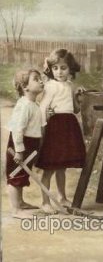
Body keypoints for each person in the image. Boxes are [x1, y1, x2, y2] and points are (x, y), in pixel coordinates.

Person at [36, 49, 86, 214]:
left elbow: (75, 110)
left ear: (70, 69)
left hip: (68, 126)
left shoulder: (70, 86)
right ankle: (45, 202)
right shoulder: (51, 86)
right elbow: (43, 108)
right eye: (55, 68)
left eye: (63, 68)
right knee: (49, 166)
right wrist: (43, 128)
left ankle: (62, 197)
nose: (59, 72)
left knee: (61, 166)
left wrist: (78, 99)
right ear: (51, 69)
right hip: (54, 128)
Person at [6, 69, 44, 218]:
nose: (41, 81)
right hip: (19, 144)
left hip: (30, 143)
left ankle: (20, 203)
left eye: (41, 78)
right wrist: (19, 150)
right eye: (36, 79)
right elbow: (17, 129)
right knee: (15, 174)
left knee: (22, 174)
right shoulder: (24, 105)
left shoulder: (34, 104)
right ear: (25, 87)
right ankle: (15, 209)